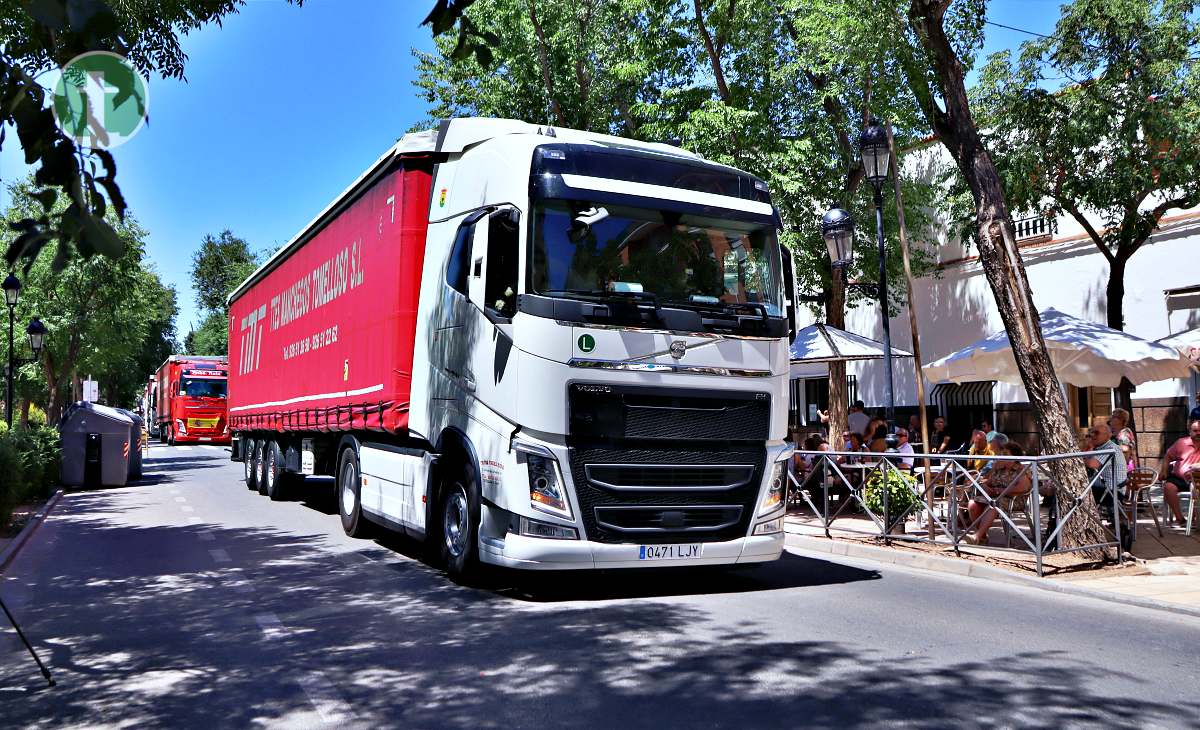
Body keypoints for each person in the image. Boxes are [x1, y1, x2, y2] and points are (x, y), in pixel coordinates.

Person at [964, 442, 1032, 545]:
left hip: (1014, 500)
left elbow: (1023, 487)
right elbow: (988, 482)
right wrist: (985, 485)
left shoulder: (1022, 470)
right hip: (995, 498)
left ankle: (976, 536)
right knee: (972, 504)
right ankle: (982, 537)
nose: (1002, 456)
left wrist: (1000, 491)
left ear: (1014, 457)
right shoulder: (999, 469)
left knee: (994, 505)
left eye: (1005, 454)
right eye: (1002, 454)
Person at [1159, 419, 1200, 526]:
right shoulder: (1181, 443)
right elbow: (1167, 456)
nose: (1198, 433)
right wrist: (1163, 470)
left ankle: (1196, 519)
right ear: (1190, 431)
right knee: (1168, 487)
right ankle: (1180, 519)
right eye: (1195, 431)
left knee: (1197, 489)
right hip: (1178, 478)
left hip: (1197, 479)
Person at [1085, 420, 1128, 517]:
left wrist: (1078, 460)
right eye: (1091, 432)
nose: (1092, 435)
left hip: (1112, 492)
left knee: (1073, 493)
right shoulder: (1099, 448)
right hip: (1103, 489)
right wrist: (1089, 447)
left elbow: (1092, 464)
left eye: (1096, 433)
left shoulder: (1109, 448)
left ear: (1107, 435)